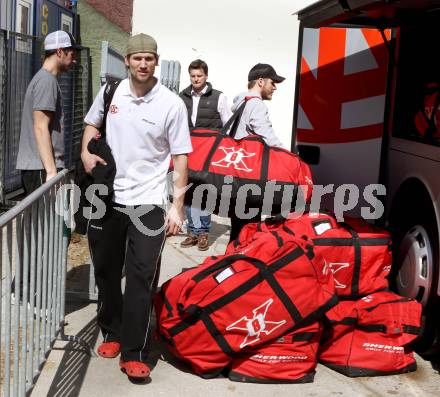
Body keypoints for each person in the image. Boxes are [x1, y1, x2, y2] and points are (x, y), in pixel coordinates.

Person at [81, 33, 192, 380]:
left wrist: (177, 206)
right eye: (137, 58)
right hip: (108, 196)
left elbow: (181, 155)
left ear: (156, 61)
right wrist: (86, 151)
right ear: (127, 61)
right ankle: (112, 332)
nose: (143, 63)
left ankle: (134, 350)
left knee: (143, 274)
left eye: (149, 58)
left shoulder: (171, 103)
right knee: (107, 269)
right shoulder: (111, 91)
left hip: (148, 202)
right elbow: (91, 123)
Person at [229, 63, 285, 242]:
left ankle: (232, 265)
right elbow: (268, 137)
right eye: (272, 82)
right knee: (246, 233)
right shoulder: (256, 105)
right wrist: (290, 157)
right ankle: (237, 267)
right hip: (249, 179)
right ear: (260, 81)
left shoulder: (241, 103)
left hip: (236, 176)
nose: (274, 87)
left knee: (238, 229)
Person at [179, 59, 232, 250]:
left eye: (199, 75)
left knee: (204, 191)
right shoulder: (182, 96)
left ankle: (203, 233)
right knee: (188, 190)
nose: (196, 79)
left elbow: (228, 125)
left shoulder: (219, 97)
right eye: (192, 76)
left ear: (206, 76)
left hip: (210, 154)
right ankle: (192, 232)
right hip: (188, 150)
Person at [16, 30, 77, 194]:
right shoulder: (46, 81)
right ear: (59, 52)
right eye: (71, 54)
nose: (75, 60)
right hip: (41, 169)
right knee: (42, 220)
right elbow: (40, 127)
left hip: (40, 167)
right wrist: (51, 172)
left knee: (40, 220)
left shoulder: (45, 79)